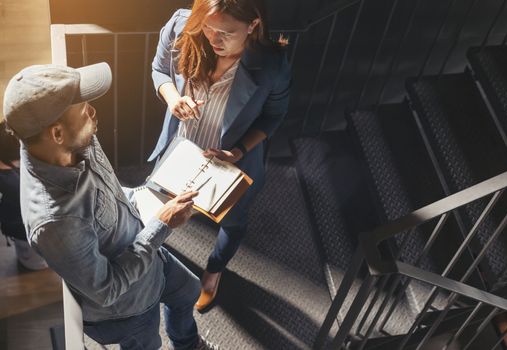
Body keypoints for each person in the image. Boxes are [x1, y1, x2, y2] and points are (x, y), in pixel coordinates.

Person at [3, 62, 217, 350]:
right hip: (128, 307)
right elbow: (107, 290)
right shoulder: (55, 222)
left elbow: (110, 191)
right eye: (84, 110)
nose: (93, 113)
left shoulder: (71, 141)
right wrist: (161, 225)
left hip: (149, 254)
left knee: (189, 291)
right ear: (56, 134)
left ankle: (189, 345)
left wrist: (149, 193)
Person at [150, 0, 291, 311]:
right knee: (159, 211)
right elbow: (159, 70)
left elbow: (274, 116)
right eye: (209, 28)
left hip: (232, 163)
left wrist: (239, 150)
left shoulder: (271, 64)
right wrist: (173, 98)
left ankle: (213, 272)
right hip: (181, 149)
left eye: (226, 32)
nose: (213, 40)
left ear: (253, 25)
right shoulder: (181, 26)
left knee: (233, 222)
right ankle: (157, 262)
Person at [0, 120, 48, 270]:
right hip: (26, 234)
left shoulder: (11, 173)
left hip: (21, 229)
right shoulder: (13, 183)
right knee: (36, 264)